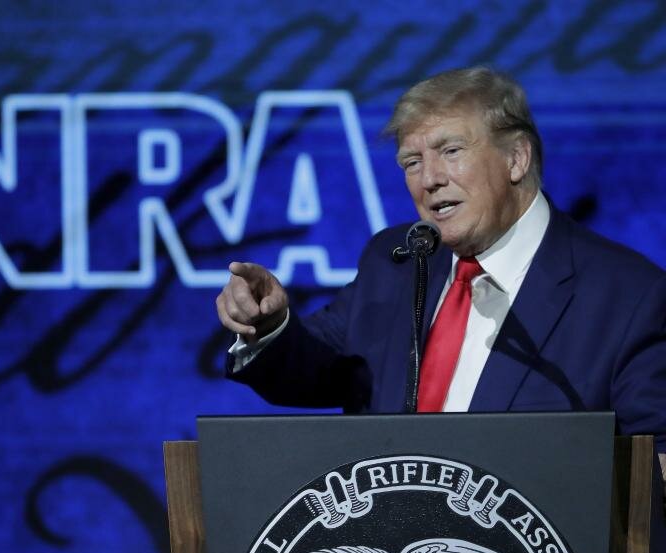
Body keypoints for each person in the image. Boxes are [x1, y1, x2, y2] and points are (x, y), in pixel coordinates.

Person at [215, 66, 666, 480]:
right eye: (411, 162)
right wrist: (269, 327)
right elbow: (315, 369)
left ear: (516, 158)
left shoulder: (629, 297)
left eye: (450, 151)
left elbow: (655, 467)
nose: (429, 179)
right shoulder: (395, 262)